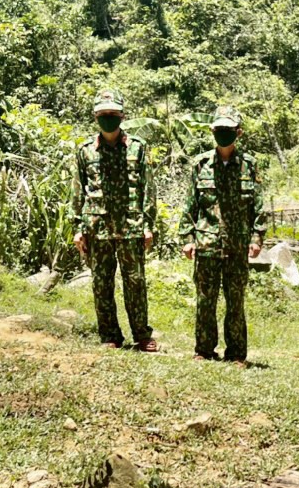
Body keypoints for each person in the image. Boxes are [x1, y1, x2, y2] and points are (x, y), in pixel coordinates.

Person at [178, 106, 266, 366]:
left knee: (235, 301)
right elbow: (189, 205)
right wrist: (187, 238)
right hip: (206, 243)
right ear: (212, 131)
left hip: (237, 246)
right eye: (219, 130)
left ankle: (237, 353)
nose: (223, 134)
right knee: (205, 300)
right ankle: (204, 350)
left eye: (228, 130)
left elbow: (258, 207)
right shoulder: (200, 164)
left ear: (238, 132)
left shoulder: (250, 166)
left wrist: (257, 238)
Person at [71, 89, 157, 352]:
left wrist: (148, 226)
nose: (108, 117)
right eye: (103, 113)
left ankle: (142, 335)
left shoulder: (138, 148)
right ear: (96, 116)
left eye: (113, 113)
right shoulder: (85, 151)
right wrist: (76, 228)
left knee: (135, 282)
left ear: (122, 115)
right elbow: (77, 191)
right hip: (97, 228)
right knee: (101, 283)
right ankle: (110, 335)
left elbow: (148, 190)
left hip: (131, 227)